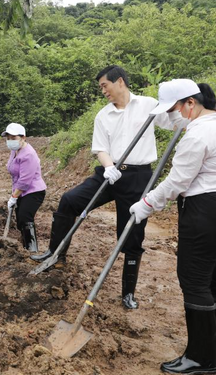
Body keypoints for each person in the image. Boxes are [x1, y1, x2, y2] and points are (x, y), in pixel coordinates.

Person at [31, 65, 174, 310]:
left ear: (119, 81)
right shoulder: (103, 115)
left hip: (138, 176)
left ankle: (128, 293)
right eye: (100, 88)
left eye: (104, 86)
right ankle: (56, 254)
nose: (103, 91)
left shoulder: (148, 105)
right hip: (110, 173)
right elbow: (100, 148)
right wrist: (108, 167)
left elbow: (173, 122)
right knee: (69, 200)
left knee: (131, 232)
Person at [130, 79, 216, 375]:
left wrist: (146, 204)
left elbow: (177, 182)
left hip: (205, 212)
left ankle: (201, 358)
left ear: (190, 104)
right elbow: (179, 123)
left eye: (174, 108)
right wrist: (161, 113)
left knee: (194, 281)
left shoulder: (196, 137)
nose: (174, 115)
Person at [1, 123, 46, 252]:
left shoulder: (28, 155)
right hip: (21, 192)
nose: (10, 141)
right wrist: (14, 194)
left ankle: (32, 250)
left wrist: (14, 196)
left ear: (23, 138)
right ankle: (25, 247)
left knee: (25, 217)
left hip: (34, 192)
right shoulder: (15, 150)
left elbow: (25, 180)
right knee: (20, 219)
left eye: (13, 138)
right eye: (8, 138)